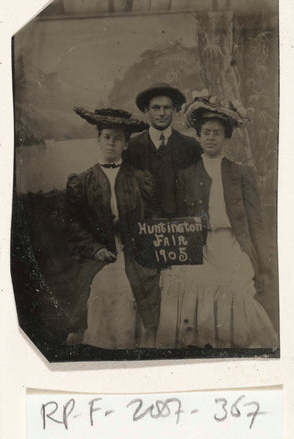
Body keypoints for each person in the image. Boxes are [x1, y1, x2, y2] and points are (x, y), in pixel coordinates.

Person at [156, 95, 279, 349]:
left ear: (225, 137)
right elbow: (179, 220)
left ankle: (234, 346)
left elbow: (255, 221)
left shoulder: (239, 172)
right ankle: (202, 346)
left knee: (232, 287)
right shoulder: (186, 175)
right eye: (206, 132)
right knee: (188, 284)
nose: (211, 137)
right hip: (200, 246)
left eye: (217, 133)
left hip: (233, 244)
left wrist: (264, 265)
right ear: (198, 137)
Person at [65, 107, 160, 349]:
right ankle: (103, 348)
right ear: (98, 140)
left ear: (125, 145)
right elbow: (73, 225)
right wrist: (95, 249)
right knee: (104, 288)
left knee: (136, 287)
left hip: (134, 253)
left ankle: (132, 348)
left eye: (117, 139)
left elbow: (151, 219)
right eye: (106, 137)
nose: (111, 143)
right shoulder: (82, 181)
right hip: (100, 256)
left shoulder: (140, 179)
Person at [124, 83, 202, 217]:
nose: (161, 113)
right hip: (144, 226)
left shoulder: (190, 146)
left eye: (167, 108)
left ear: (174, 110)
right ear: (146, 110)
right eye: (156, 108)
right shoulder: (131, 147)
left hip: (181, 224)